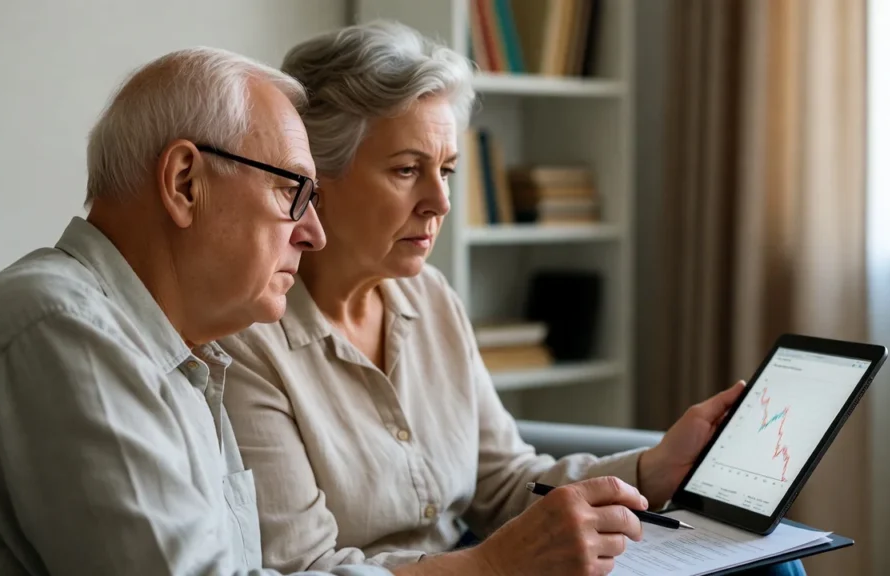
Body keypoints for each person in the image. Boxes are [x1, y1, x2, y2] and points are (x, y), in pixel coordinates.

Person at [219, 22, 806, 576]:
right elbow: (308, 568)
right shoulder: (248, 342)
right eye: (406, 170)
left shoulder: (430, 299)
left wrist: (655, 468)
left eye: (446, 170)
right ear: (313, 176)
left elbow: (504, 484)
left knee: (770, 560)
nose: (439, 202)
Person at [0, 46, 381, 576]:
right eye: (291, 190)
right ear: (185, 183)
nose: (314, 233)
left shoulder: (178, 356)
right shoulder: (61, 329)